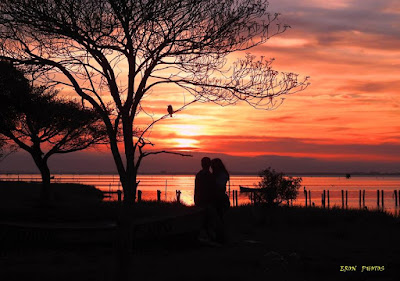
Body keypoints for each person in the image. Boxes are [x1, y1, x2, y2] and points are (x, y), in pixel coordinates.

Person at [211, 158, 230, 243]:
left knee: (219, 217)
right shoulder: (218, 174)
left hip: (220, 198)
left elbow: (220, 186)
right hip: (217, 198)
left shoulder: (221, 174)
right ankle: (219, 236)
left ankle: (220, 237)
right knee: (217, 218)